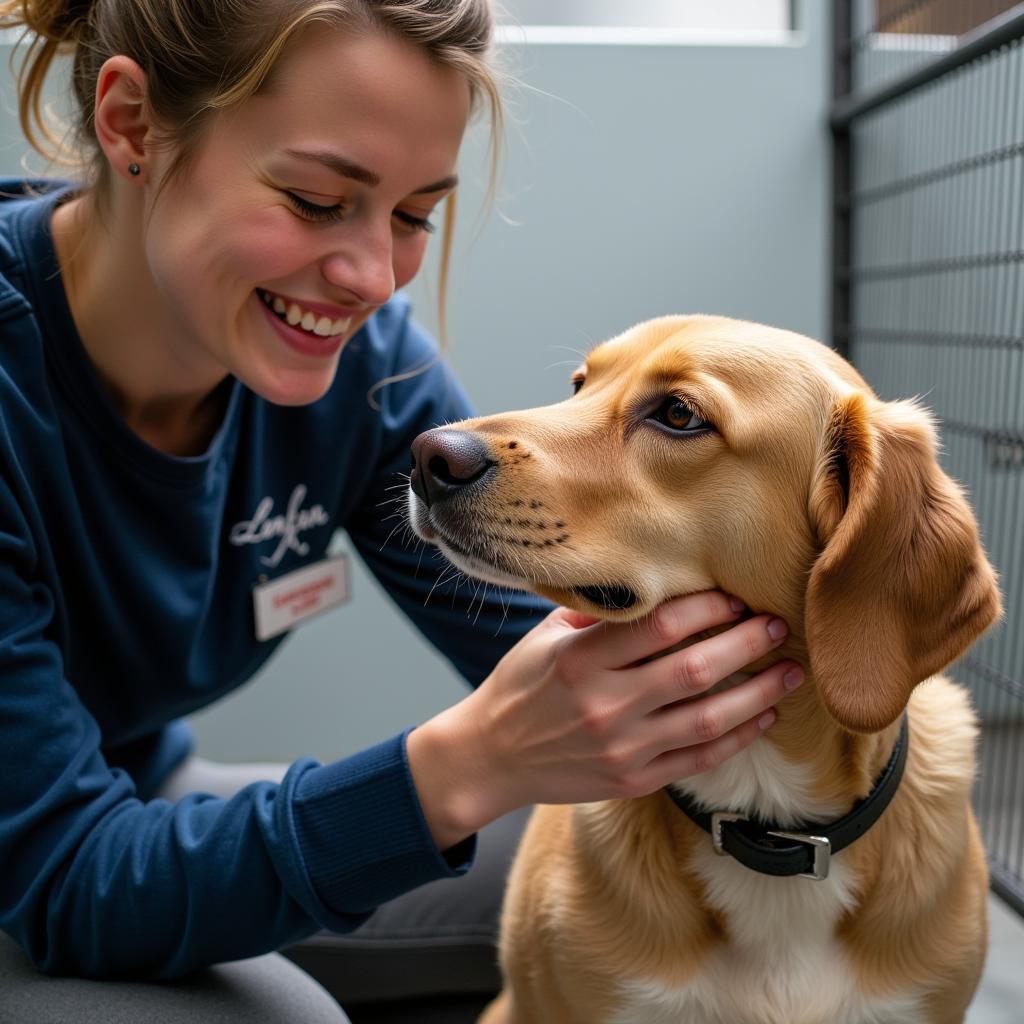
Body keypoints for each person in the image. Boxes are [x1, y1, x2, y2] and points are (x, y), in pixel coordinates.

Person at [0, 1, 804, 1021]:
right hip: (45, 872)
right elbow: (73, 878)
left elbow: (553, 646)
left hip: (143, 791)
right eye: (314, 198)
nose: (372, 278)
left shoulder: (363, 373)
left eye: (414, 214)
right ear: (131, 126)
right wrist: (467, 764)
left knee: (646, 875)